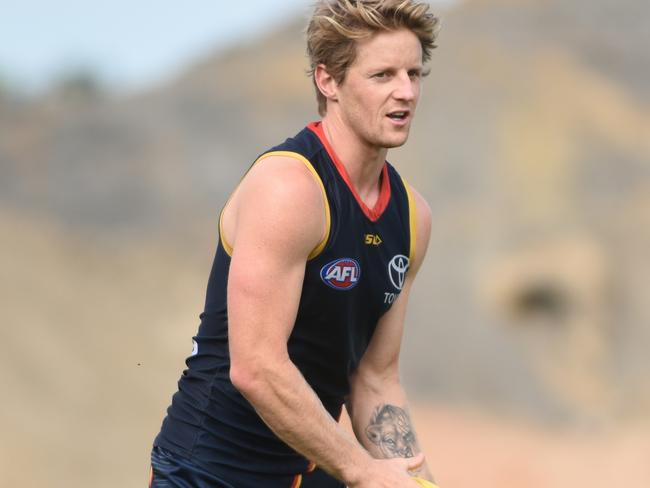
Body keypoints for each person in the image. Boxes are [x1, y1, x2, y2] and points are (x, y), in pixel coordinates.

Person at [151, 1, 440, 487]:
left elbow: (374, 379)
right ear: (328, 81)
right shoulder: (290, 188)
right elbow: (257, 367)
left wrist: (422, 481)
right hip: (210, 472)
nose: (406, 91)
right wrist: (363, 471)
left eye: (414, 73)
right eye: (383, 75)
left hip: (313, 471)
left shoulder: (413, 217)